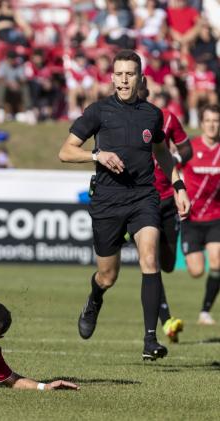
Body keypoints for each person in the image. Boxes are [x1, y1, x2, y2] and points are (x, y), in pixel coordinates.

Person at [58, 50, 191, 361]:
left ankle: (149, 340)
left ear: (141, 79)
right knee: (108, 275)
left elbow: (162, 152)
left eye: (130, 74)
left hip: (144, 196)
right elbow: (65, 151)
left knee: (149, 259)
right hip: (107, 201)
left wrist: (178, 184)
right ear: (112, 78)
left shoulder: (153, 115)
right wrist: (97, 156)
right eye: (119, 73)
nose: (124, 79)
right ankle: (94, 298)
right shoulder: (98, 112)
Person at [145, 88, 192, 343]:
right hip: (142, 201)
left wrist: (173, 156)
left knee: (168, 263)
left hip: (167, 200)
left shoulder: (169, 118)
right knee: (149, 259)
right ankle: (162, 324)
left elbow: (187, 150)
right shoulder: (125, 121)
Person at [180, 104, 220, 326]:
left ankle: (205, 311)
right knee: (196, 271)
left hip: (216, 216)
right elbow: (172, 168)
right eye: (209, 120)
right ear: (202, 123)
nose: (213, 125)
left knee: (217, 260)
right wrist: (178, 192)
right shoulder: (190, 149)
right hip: (192, 218)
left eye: (216, 120)